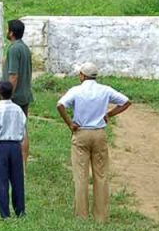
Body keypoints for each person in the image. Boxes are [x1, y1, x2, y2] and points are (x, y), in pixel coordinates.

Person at [56, 62, 132, 222]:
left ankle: (81, 215)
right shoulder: (105, 90)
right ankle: (101, 216)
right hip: (99, 134)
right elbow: (126, 102)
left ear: (82, 75)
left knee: (80, 176)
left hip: (81, 133)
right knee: (101, 175)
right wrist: (109, 114)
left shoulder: (76, 90)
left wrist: (70, 123)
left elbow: (60, 105)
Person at [0, 80, 27, 219]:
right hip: (15, 146)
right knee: (17, 180)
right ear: (12, 92)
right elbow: (23, 128)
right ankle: (20, 211)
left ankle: (5, 215)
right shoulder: (18, 110)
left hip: (0, 147)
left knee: (1, 182)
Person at [3, 19, 33, 166]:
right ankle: (22, 164)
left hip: (15, 96)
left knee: (12, 130)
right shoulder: (25, 48)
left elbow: (13, 75)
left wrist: (7, 96)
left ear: (11, 33)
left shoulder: (14, 49)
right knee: (22, 128)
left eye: (7, 29)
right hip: (25, 94)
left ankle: (16, 163)